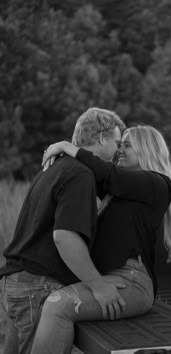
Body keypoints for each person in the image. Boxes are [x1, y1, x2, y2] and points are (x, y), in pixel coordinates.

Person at [30, 124, 171, 354]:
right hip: (109, 277)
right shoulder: (120, 192)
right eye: (119, 144)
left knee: (57, 306)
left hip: (131, 282)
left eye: (127, 145)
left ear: (146, 149)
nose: (120, 150)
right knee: (48, 302)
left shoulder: (158, 184)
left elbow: (107, 174)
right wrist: (64, 157)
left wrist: (67, 146)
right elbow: (89, 173)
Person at [0, 107, 126, 354]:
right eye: (117, 142)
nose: (119, 150)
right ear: (102, 138)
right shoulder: (80, 175)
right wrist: (98, 286)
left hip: (16, 282)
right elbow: (65, 237)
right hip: (38, 287)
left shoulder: (55, 167)